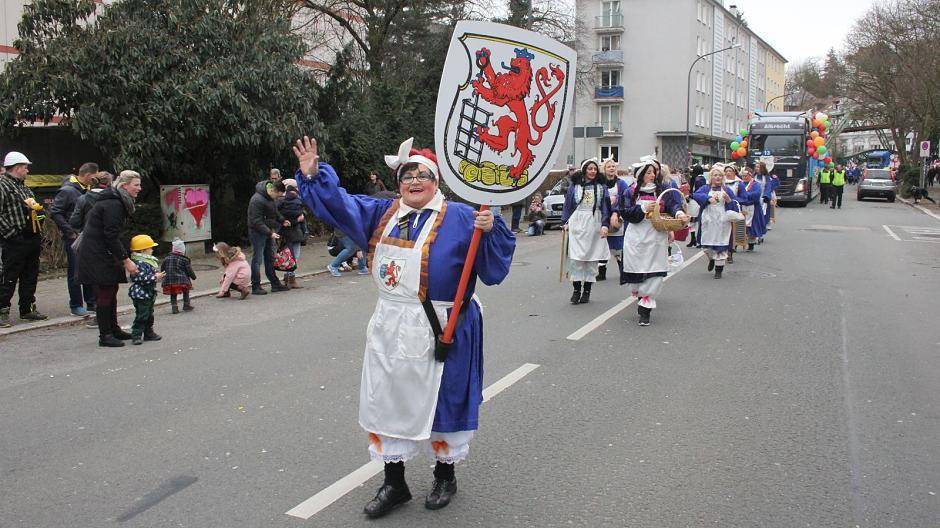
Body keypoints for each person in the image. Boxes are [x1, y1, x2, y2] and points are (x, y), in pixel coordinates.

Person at [294, 135, 515, 518]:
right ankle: (394, 483)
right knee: (387, 401)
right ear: (398, 182)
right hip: (391, 325)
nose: (414, 182)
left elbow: (493, 272)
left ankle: (445, 476)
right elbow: (340, 205)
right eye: (407, 176)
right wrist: (314, 176)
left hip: (445, 326)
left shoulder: (463, 217)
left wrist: (491, 228)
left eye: (422, 175)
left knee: (444, 401)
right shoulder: (381, 213)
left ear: (436, 181)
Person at [618, 156, 688, 325]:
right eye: (648, 172)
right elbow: (625, 212)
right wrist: (642, 208)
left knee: (655, 270)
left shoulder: (661, 191)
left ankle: (645, 309)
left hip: (656, 235)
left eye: (654, 172)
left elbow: (673, 205)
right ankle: (640, 294)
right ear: (641, 174)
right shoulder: (630, 192)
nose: (652, 175)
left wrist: (679, 214)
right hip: (636, 236)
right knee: (637, 269)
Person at [76, 170, 142, 347]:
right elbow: (111, 236)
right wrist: (126, 260)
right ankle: (105, 335)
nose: (139, 188)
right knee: (105, 292)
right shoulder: (114, 203)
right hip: (97, 254)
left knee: (111, 289)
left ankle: (114, 329)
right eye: (136, 185)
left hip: (102, 252)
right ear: (125, 185)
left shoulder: (116, 200)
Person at [0, 151, 48, 327]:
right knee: (9, 276)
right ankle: (2, 310)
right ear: (17, 168)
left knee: (30, 274)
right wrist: (11, 233)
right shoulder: (3, 185)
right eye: (25, 167)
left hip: (31, 236)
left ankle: (27, 308)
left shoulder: (24, 187)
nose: (27, 170)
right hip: (14, 239)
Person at [51, 162, 99, 316]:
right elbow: (55, 212)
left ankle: (91, 302)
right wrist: (70, 232)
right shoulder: (67, 191)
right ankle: (76, 305)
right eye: (94, 177)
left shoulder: (88, 189)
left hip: (88, 236)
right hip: (74, 237)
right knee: (75, 271)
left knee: (89, 269)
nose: (96, 180)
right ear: (88, 175)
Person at [561, 159, 611, 304]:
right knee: (576, 259)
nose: (593, 171)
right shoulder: (574, 187)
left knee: (591, 259)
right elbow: (568, 205)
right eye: (590, 169)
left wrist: (605, 225)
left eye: (595, 169)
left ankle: (587, 291)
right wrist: (565, 222)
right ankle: (576, 290)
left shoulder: (601, 187)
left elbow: (606, 207)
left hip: (594, 223)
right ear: (584, 170)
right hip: (577, 223)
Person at [693, 167, 738, 279]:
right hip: (708, 221)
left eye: (720, 175)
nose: (718, 177)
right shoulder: (705, 188)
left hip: (722, 222)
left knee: (721, 245)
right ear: (711, 177)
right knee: (706, 245)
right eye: (715, 175)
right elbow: (696, 195)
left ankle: (719, 270)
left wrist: (729, 200)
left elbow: (735, 206)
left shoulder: (727, 190)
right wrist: (707, 198)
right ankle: (712, 259)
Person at [247, 180, 289, 295]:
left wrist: (282, 220)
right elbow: (255, 221)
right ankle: (255, 286)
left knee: (270, 257)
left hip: (268, 231)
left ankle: (275, 284)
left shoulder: (270, 198)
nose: (278, 198)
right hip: (257, 233)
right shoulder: (257, 200)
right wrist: (270, 233)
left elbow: (274, 211)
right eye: (278, 196)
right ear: (273, 191)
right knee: (257, 259)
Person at [127, 234, 164, 345]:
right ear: (143, 250)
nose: (152, 250)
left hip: (148, 292)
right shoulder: (138, 263)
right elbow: (140, 278)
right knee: (142, 315)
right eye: (150, 248)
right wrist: (155, 277)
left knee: (149, 314)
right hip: (141, 293)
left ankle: (148, 333)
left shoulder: (146, 261)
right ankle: (136, 335)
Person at [277, 178, 307, 289]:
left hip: (284, 232)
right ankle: (291, 279)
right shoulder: (297, 200)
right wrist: (299, 219)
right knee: (294, 256)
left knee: (288, 255)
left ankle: (287, 277)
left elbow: (277, 215)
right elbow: (301, 215)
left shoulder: (279, 201)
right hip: (295, 231)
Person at [601, 158, 629, 277]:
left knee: (618, 246)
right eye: (609, 166)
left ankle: (623, 271)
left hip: (618, 217)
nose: (611, 168)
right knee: (602, 245)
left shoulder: (621, 183)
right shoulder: (600, 184)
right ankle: (601, 272)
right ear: (604, 169)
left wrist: (616, 207)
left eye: (613, 166)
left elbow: (626, 198)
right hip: (603, 217)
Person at [735, 167, 768, 251]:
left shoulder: (756, 184)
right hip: (741, 207)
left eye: (746, 176)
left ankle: (751, 243)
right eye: (743, 176)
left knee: (752, 226)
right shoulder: (739, 184)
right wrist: (743, 198)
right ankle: (736, 243)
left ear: (750, 176)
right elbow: (736, 195)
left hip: (753, 207)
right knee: (739, 225)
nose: (744, 177)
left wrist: (745, 196)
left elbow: (756, 194)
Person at [161, 238, 197, 313]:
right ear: (183, 250)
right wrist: (193, 277)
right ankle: (186, 305)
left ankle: (174, 307)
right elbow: (189, 270)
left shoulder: (167, 258)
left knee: (173, 293)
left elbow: (162, 268)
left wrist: (162, 276)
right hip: (182, 280)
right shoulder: (185, 259)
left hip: (170, 280)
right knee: (186, 291)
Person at [754, 161, 778, 235]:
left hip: (763, 198)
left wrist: (766, 196)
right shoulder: (753, 176)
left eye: (758, 167)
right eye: (756, 167)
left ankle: (763, 226)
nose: (756, 168)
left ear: (762, 168)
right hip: (754, 198)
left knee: (764, 213)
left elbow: (768, 187)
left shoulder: (766, 177)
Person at [686, 164, 705, 247]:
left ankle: (694, 239)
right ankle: (697, 240)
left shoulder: (695, 179)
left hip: (693, 201)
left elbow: (694, 191)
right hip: (699, 201)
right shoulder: (703, 179)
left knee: (692, 221)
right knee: (697, 221)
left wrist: (689, 196)